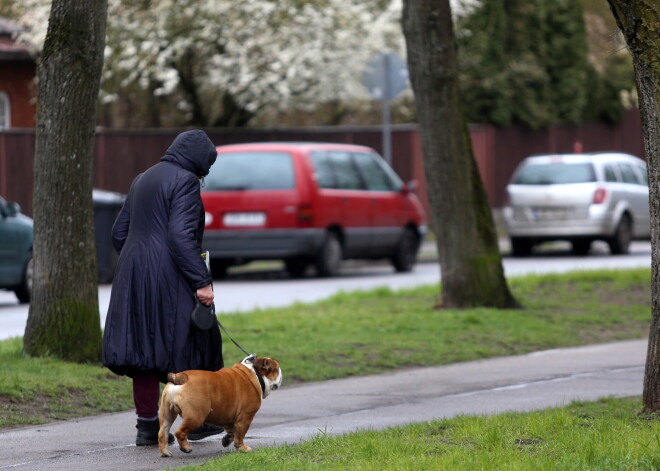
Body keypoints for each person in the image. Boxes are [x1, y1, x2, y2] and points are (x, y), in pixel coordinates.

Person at [102, 130, 224, 446]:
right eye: (205, 169)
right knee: (189, 344)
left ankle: (147, 428)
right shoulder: (185, 181)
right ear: (200, 163)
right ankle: (195, 422)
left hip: (133, 274)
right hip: (169, 275)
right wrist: (202, 282)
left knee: (142, 350)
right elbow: (181, 237)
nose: (203, 175)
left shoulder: (142, 178)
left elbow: (119, 234)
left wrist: (140, 259)